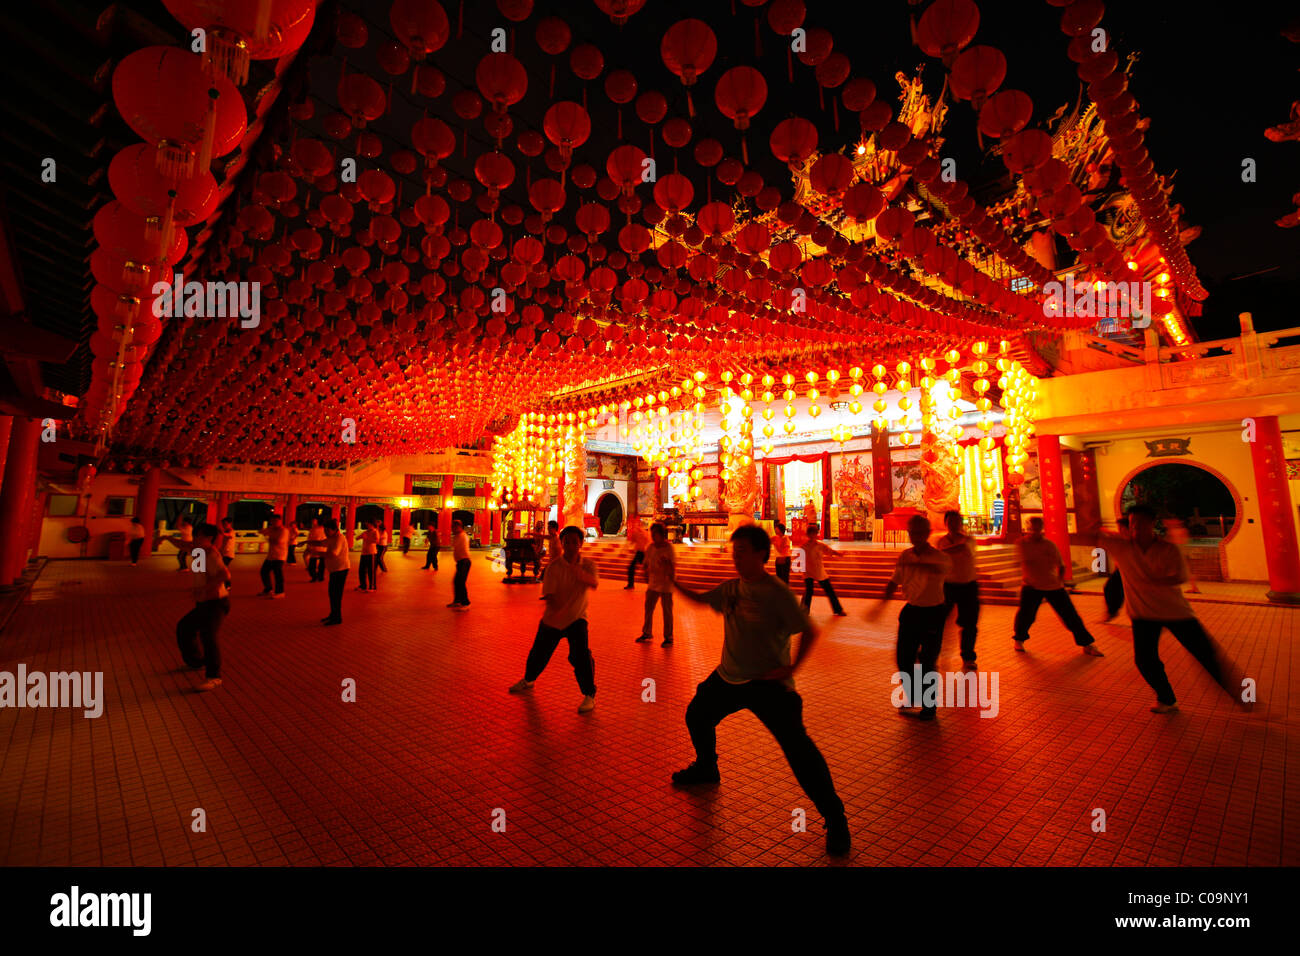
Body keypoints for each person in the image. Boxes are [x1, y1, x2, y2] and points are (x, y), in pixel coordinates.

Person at [670, 525, 850, 857]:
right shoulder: (733, 589)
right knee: (697, 714)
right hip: (729, 676)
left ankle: (835, 817)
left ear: (759, 554)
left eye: (741, 550)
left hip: (769, 684)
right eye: (733, 550)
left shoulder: (776, 592)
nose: (735, 556)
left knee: (799, 751)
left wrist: (792, 669)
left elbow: (809, 631)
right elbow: (699, 599)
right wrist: (673, 582)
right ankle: (707, 767)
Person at [1089, 506, 1243, 714]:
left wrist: (1156, 580)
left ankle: (1244, 696)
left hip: (1176, 612)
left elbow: (1180, 577)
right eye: (1133, 523)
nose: (1136, 528)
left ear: (1152, 524)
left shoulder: (1167, 549)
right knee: (1144, 660)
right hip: (1143, 614)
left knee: (1207, 656)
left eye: (1141, 523)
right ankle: (1167, 699)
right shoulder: (1121, 547)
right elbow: (1088, 536)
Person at [509, 526, 600, 713]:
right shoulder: (554, 567)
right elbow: (549, 595)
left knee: (580, 656)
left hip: (577, 618)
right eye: (567, 541)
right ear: (562, 543)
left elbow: (594, 583)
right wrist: (558, 609)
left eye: (575, 542)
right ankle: (528, 679)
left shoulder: (588, 565)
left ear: (581, 543)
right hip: (554, 619)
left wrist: (579, 573)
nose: (571, 545)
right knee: (539, 652)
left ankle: (589, 695)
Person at [881, 515, 952, 719]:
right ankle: (913, 694)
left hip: (933, 612)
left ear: (928, 533)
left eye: (920, 532)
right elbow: (895, 581)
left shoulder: (939, 557)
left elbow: (944, 570)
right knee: (903, 659)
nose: (916, 536)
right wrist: (881, 603)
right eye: (912, 532)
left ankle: (929, 706)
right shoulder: (905, 556)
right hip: (911, 611)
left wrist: (921, 566)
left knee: (928, 660)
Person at [1013, 517, 1102, 655]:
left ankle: (1087, 644)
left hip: (1052, 585)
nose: (1035, 531)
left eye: (1038, 528)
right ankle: (1019, 639)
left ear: (1042, 528)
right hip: (1030, 586)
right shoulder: (1021, 544)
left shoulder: (1049, 545)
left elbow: (1061, 565)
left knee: (1070, 616)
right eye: (1032, 528)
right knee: (1026, 616)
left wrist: (1060, 582)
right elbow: (1018, 563)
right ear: (1027, 528)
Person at [171, 522, 230, 692]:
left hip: (216, 603)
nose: (194, 538)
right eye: (195, 534)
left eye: (198, 535)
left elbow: (225, 574)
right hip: (204, 602)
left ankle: (214, 676)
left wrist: (204, 588)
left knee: (208, 637)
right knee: (185, 628)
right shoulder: (198, 551)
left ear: (209, 538)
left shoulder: (211, 554)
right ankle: (197, 662)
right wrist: (166, 538)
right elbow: (183, 545)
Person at [936, 511, 979, 671]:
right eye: (950, 521)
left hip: (969, 586)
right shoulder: (941, 541)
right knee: (938, 622)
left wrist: (943, 552)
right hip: (948, 586)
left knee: (970, 624)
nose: (953, 524)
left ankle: (968, 657)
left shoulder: (968, 540)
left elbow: (962, 548)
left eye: (956, 521)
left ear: (961, 523)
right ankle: (932, 653)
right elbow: (940, 555)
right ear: (946, 524)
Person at [636, 522, 676, 646]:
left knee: (667, 611)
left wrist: (670, 573)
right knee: (648, 608)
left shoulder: (669, 548)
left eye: (655, 534)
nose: (652, 536)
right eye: (651, 534)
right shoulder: (650, 547)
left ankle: (669, 637)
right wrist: (645, 574)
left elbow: (672, 566)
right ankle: (647, 632)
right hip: (653, 583)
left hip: (666, 585)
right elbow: (646, 563)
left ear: (661, 535)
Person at [306, 518, 349, 625]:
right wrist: (306, 542)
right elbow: (321, 542)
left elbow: (334, 553)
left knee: (336, 595)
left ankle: (337, 618)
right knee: (332, 594)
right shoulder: (331, 537)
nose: (325, 532)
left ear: (334, 529)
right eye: (325, 530)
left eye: (327, 530)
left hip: (341, 569)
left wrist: (315, 552)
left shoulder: (339, 538)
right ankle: (333, 614)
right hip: (334, 569)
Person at [800, 524, 847, 616]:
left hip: (819, 571)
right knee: (809, 592)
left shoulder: (820, 545)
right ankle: (804, 612)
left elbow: (830, 550)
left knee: (829, 590)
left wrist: (839, 554)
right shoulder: (804, 547)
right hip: (808, 572)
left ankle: (838, 610)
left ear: (816, 534)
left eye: (814, 533)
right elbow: (800, 559)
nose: (812, 535)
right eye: (811, 534)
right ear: (808, 535)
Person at [1162, 518, 1200, 593]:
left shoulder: (1176, 531)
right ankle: (1193, 587)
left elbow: (1178, 542)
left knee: (1185, 571)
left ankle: (1194, 587)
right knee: (1185, 571)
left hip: (1180, 553)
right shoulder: (1181, 530)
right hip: (1181, 553)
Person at [1103, 517, 1129, 622]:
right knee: (1110, 588)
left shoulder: (1129, 537)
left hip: (1129, 569)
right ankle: (1113, 611)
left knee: (1112, 588)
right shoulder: (1122, 536)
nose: (1119, 529)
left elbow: (1114, 536)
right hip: (1121, 569)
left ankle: (1113, 611)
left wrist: (1104, 530)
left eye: (1120, 527)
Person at [258, 515, 288, 598]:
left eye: (275, 521)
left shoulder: (284, 531)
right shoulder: (272, 529)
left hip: (280, 556)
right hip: (271, 555)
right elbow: (261, 531)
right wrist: (269, 529)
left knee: (278, 574)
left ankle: (280, 592)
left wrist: (269, 536)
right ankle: (268, 589)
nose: (274, 523)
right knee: (264, 572)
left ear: (280, 521)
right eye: (272, 521)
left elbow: (278, 541)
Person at [449, 519, 472, 609]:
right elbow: (453, 545)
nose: (452, 530)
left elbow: (454, 545)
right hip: (460, 562)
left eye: (453, 528)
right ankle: (457, 601)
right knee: (456, 582)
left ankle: (466, 603)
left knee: (461, 582)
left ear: (458, 527)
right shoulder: (457, 536)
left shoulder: (463, 536)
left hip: (464, 561)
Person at [626, 518, 650, 589]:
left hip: (642, 552)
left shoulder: (643, 533)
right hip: (640, 552)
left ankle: (631, 584)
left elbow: (633, 542)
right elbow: (633, 541)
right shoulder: (643, 533)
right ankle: (631, 584)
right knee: (633, 568)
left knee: (635, 568)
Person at [358, 521, 378, 592]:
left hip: (371, 553)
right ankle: (363, 585)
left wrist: (366, 538)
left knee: (371, 571)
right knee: (361, 570)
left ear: (372, 525)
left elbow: (376, 541)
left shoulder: (375, 531)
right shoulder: (366, 532)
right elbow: (357, 538)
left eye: (368, 524)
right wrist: (360, 536)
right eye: (367, 524)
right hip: (364, 553)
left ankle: (372, 587)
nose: (367, 526)